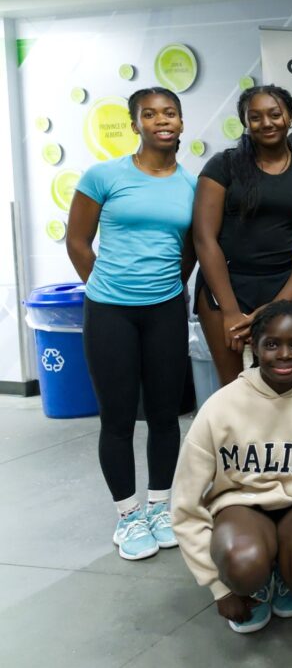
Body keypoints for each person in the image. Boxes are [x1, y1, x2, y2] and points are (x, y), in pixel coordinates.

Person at [172, 301, 292, 637]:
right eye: (271, 344)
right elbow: (185, 504)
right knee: (243, 563)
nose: (284, 355)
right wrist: (219, 587)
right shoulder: (221, 406)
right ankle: (256, 583)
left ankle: (285, 572)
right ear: (254, 347)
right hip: (240, 508)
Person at [66, 87, 197, 561]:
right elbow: (78, 242)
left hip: (164, 309)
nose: (162, 120)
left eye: (170, 113)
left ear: (181, 122)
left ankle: (160, 507)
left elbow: (191, 250)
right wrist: (106, 290)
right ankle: (128, 515)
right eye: (150, 113)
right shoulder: (104, 175)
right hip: (109, 312)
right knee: (118, 419)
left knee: (165, 416)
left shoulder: (191, 185)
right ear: (135, 122)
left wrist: (166, 287)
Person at [193, 85, 292, 386]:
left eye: (274, 114)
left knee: (284, 384)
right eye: (255, 117)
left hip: (282, 287)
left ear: (290, 117)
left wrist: (277, 306)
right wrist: (230, 311)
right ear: (245, 121)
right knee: (235, 387)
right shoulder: (223, 165)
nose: (266, 123)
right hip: (224, 289)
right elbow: (204, 238)